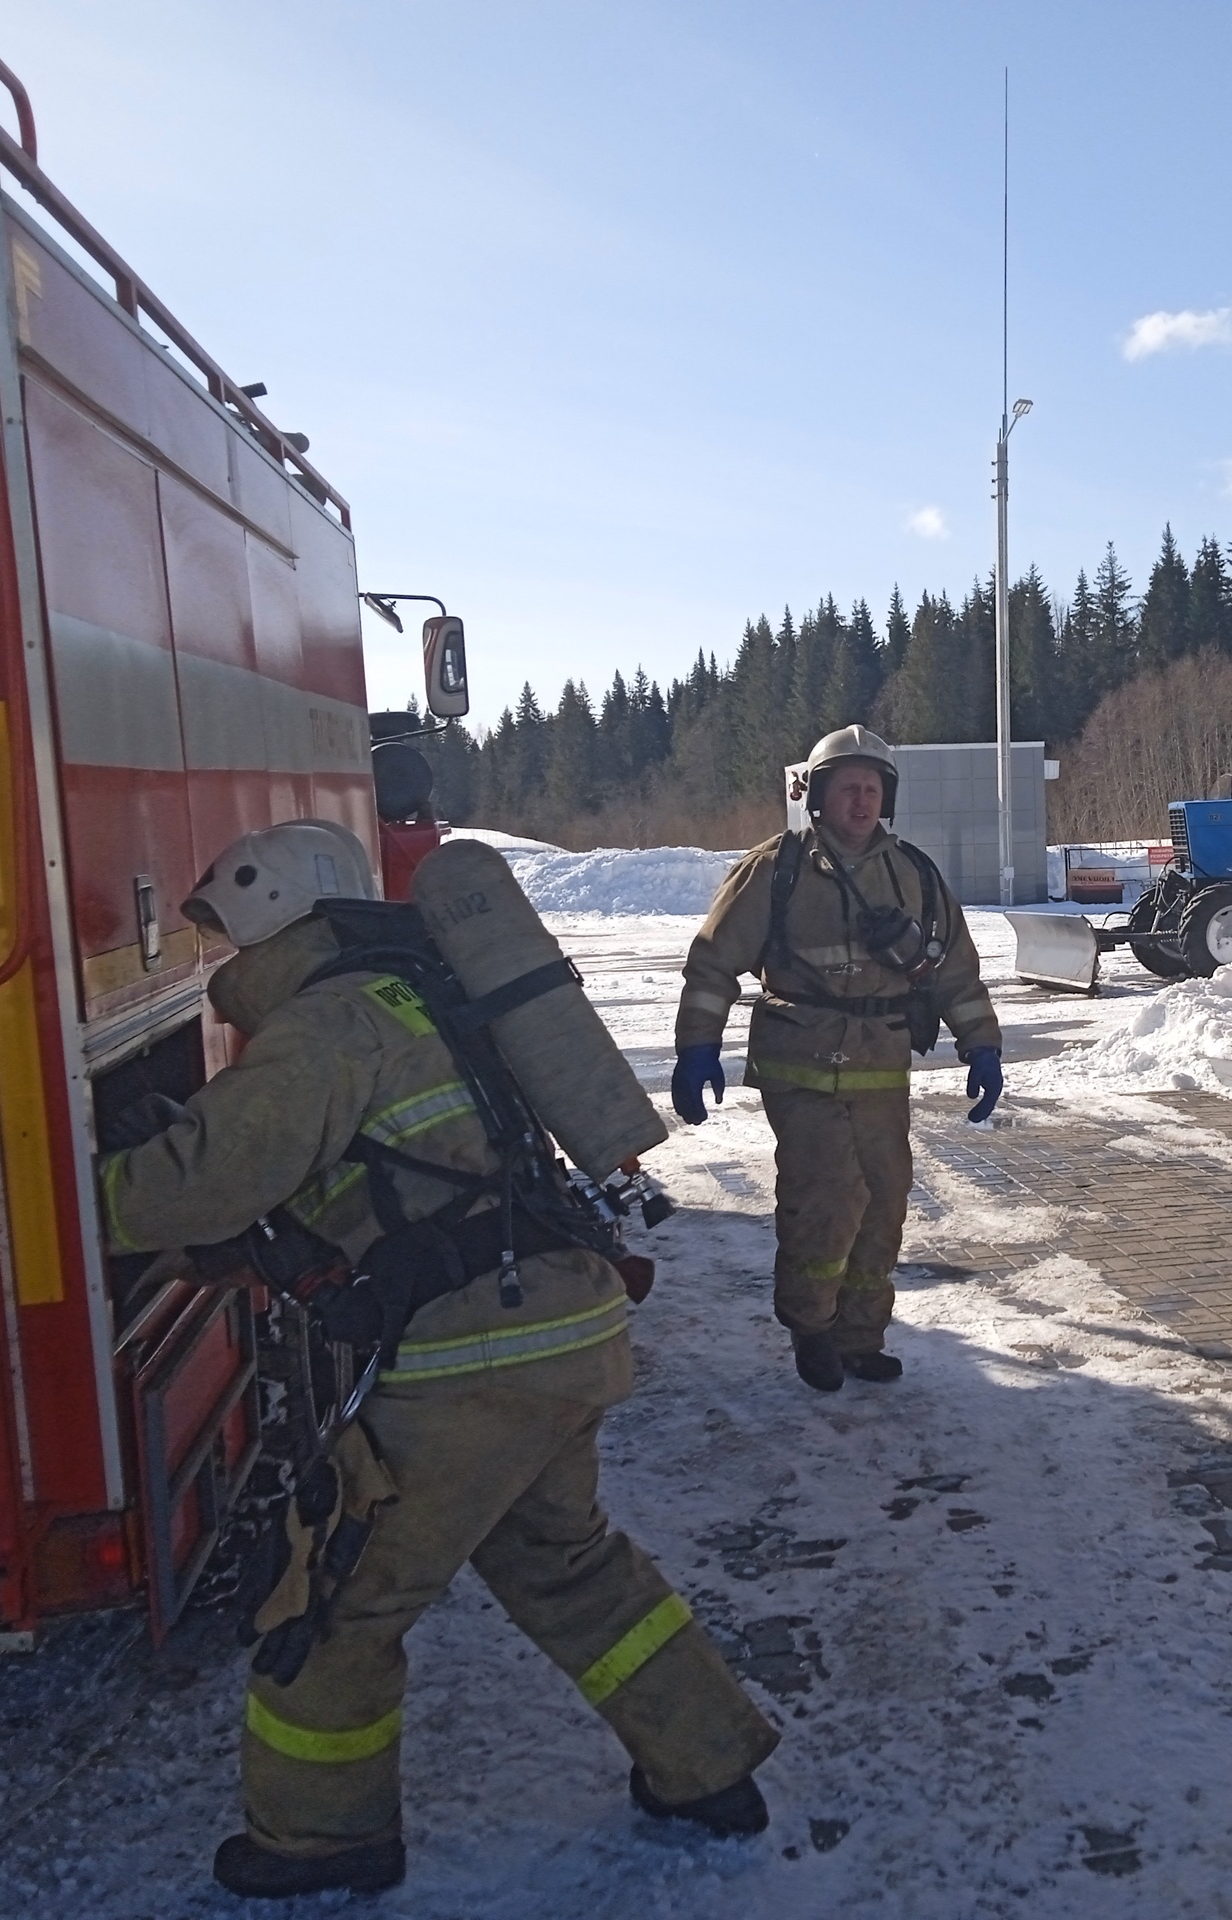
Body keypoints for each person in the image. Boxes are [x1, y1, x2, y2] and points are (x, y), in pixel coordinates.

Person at [99, 819, 778, 1901]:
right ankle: (710, 1768)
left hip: (476, 1362)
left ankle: (320, 1841)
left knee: (331, 1600)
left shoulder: (328, 1024)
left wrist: (86, 1201)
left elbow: (208, 1180)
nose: (228, 964)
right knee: (567, 1563)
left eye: (232, 940)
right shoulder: (418, 993)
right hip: (562, 1325)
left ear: (276, 919)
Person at [671, 725, 1003, 1391]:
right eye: (847, 788)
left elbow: (956, 974)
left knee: (884, 1202)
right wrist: (698, 1046)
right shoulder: (776, 868)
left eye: (872, 789)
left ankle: (860, 1334)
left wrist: (982, 1044)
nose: (860, 801)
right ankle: (811, 1325)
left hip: (881, 1068)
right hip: (799, 1062)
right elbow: (713, 964)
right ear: (818, 795)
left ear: (888, 798)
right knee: (827, 1197)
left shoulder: (913, 874)